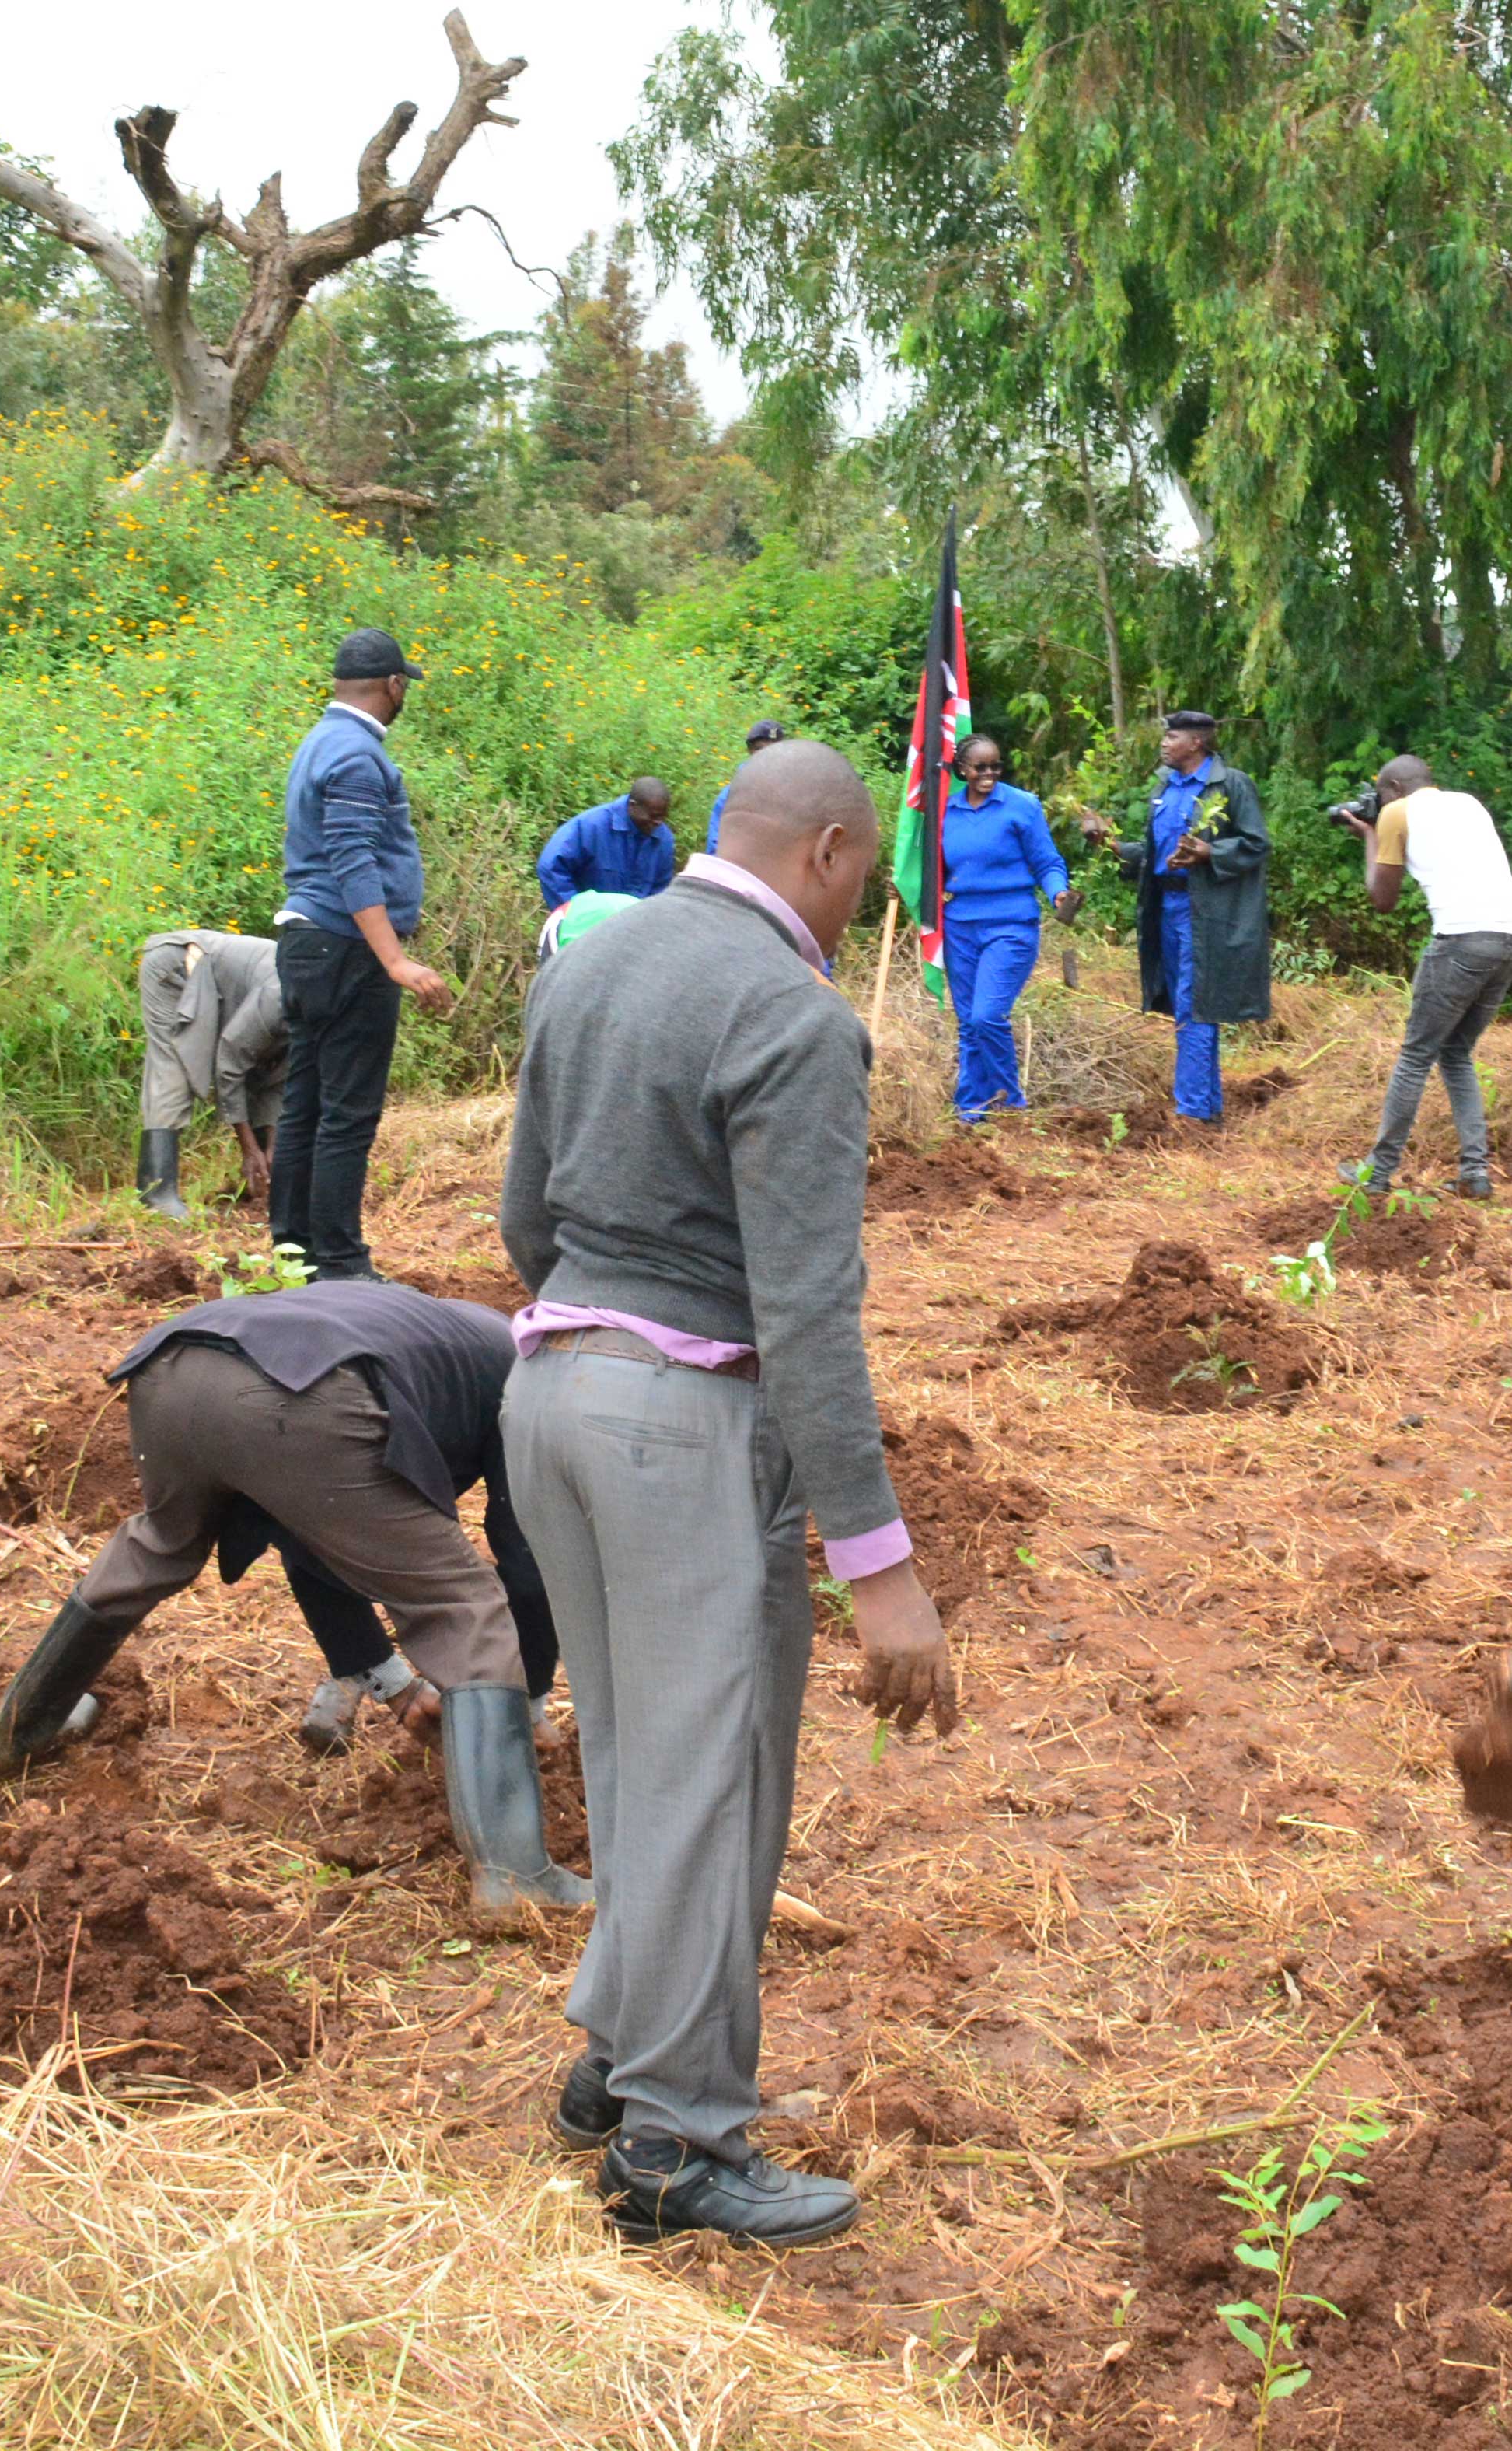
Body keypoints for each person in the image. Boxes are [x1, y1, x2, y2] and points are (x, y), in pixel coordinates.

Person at [497, 737, 956, 2250]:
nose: (865, 896)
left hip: (550, 1395)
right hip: (678, 1420)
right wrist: (878, 1568)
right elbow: (810, 1314)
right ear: (827, 850)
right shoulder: (792, 1017)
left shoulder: (588, 966)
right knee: (713, 1774)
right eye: (870, 867)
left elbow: (521, 1217)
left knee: (640, 1754)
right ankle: (679, 2140)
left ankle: (617, 2059)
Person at [0, 1278, 589, 1909]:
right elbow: (528, 1556)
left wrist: (395, 1689)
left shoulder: (426, 1336)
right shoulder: (522, 1376)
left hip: (171, 1368)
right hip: (304, 1394)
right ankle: (515, 1878)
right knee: (463, 1605)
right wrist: (529, 1704)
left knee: (156, 1548)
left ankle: (16, 1733)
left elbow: (311, 1527)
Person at [273, 628, 455, 1282]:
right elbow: (353, 862)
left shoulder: (320, 740)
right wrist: (394, 961)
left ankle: (293, 1255)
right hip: (346, 947)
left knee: (307, 1103)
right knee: (347, 1113)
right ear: (394, 686)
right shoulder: (356, 756)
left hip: (307, 942)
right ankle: (342, 1266)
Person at [1336, 753, 1512, 1198]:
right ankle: (1474, 1175)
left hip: (1461, 940)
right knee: (1456, 1054)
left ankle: (1377, 1173)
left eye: (1380, 796)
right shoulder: (1469, 803)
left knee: (1415, 1056)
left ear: (1395, 790)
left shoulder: (1397, 813)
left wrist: (1370, 835)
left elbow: (1382, 900)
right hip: (1511, 937)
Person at [1081, 710, 1272, 1123]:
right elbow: (1155, 855)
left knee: (1194, 1005)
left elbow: (1256, 845)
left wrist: (1208, 852)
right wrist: (1110, 843)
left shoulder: (1230, 784)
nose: (1164, 743)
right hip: (1165, 908)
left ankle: (1192, 1115)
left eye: (1173, 736)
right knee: (1188, 1005)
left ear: (1197, 743)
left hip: (1205, 912)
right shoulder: (1165, 788)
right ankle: (1207, 1109)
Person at [931, 736, 1076, 1124]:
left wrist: (1058, 893)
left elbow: (1047, 862)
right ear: (962, 769)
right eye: (980, 767)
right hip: (961, 924)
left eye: (996, 766)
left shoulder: (1022, 806)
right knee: (968, 1023)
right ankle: (970, 1110)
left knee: (987, 1016)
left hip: (1011, 925)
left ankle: (1011, 1102)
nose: (989, 774)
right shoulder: (947, 811)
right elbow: (931, 870)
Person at [134, 929, 289, 1222]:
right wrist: (249, 1148)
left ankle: (259, 1183)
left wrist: (273, 1145)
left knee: (265, 1066)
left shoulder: (319, 1014)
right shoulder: (279, 997)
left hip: (226, 983)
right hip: (179, 967)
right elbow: (229, 1063)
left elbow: (277, 1078)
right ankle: (156, 1194)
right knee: (176, 1064)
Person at [536, 779, 680, 910]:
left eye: (663, 817)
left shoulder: (663, 839)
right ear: (633, 806)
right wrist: (572, 913)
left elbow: (660, 891)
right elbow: (550, 867)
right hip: (588, 926)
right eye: (653, 816)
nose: (658, 823)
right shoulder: (592, 826)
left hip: (632, 929)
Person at [700, 719, 791, 858]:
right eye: (760, 749)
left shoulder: (794, 792)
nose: (767, 756)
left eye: (774, 749)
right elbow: (716, 847)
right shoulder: (732, 794)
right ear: (750, 750)